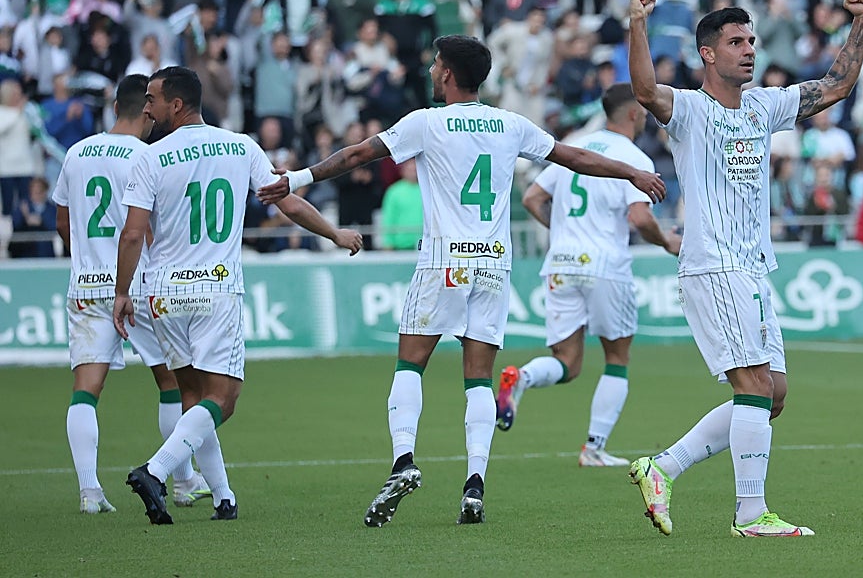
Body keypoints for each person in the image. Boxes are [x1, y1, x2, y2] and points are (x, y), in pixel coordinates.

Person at [256, 35, 665, 528]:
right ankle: (474, 484)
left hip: (443, 260)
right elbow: (573, 158)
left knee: (411, 366)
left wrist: (298, 179)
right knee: (478, 379)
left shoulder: (426, 123)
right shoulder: (509, 123)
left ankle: (403, 462)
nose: (431, 70)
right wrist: (631, 175)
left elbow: (355, 156)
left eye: (434, 64)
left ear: (447, 73)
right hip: (493, 263)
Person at [626, 0, 863, 538]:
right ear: (708, 54)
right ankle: (750, 514)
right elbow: (644, 89)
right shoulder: (689, 109)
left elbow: (836, 85)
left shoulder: (766, 104)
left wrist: (862, 22)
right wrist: (637, 23)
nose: (749, 50)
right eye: (736, 42)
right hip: (714, 265)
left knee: (774, 395)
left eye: (752, 41)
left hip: (754, 269)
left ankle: (661, 468)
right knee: (755, 388)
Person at [115, 66, 363, 525]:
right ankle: (155, 470)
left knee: (193, 396)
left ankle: (224, 497)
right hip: (216, 287)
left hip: (164, 293)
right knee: (222, 399)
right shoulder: (241, 146)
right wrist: (332, 232)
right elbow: (285, 201)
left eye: (152, 99)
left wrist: (122, 292)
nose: (146, 107)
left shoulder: (150, 157)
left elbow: (132, 236)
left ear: (177, 104)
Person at [499, 83, 681, 466]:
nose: (647, 115)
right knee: (617, 358)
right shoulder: (633, 158)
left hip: (562, 262)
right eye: (644, 110)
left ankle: (523, 378)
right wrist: (666, 241)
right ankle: (594, 448)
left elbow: (532, 198)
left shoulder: (576, 147)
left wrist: (563, 233)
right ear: (633, 113)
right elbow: (639, 216)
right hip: (605, 266)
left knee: (568, 362)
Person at [53, 75, 211, 514]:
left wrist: (85, 259)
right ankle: (182, 481)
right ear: (145, 110)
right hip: (137, 286)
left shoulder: (77, 153)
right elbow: (148, 228)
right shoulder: (149, 156)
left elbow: (63, 222)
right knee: (173, 382)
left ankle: (89, 492)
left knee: (86, 390)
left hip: (87, 284)